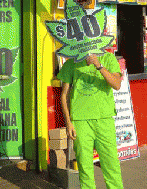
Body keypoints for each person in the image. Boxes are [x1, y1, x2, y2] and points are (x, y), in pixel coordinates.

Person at [58, 52, 124, 189]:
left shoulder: (108, 58)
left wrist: (98, 65)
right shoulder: (71, 63)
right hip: (80, 120)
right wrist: (68, 122)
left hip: (104, 118)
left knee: (111, 164)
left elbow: (117, 84)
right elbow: (64, 95)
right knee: (84, 166)